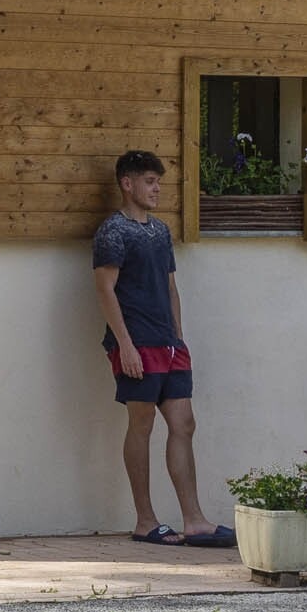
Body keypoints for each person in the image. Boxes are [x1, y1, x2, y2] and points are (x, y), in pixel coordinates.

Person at [93, 149, 230, 547]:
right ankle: (145, 521)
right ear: (127, 183)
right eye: (150, 182)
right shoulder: (112, 231)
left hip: (169, 345)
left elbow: (170, 287)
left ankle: (195, 520)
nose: (156, 189)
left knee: (184, 423)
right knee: (141, 424)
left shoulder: (159, 231)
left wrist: (179, 337)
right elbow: (104, 289)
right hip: (135, 343)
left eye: (158, 182)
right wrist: (126, 346)